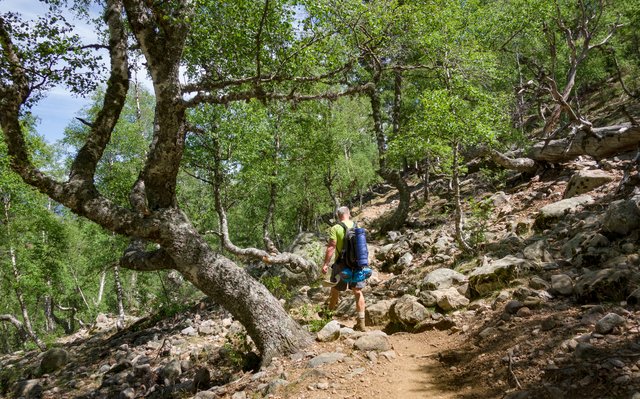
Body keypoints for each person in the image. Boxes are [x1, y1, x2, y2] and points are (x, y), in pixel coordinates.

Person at [321, 206, 366, 331]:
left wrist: (325, 263)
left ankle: (328, 317)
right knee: (358, 292)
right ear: (349, 214)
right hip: (357, 265)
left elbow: (331, 247)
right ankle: (361, 323)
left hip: (341, 264)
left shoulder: (335, 228)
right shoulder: (357, 226)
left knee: (335, 290)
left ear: (338, 215)